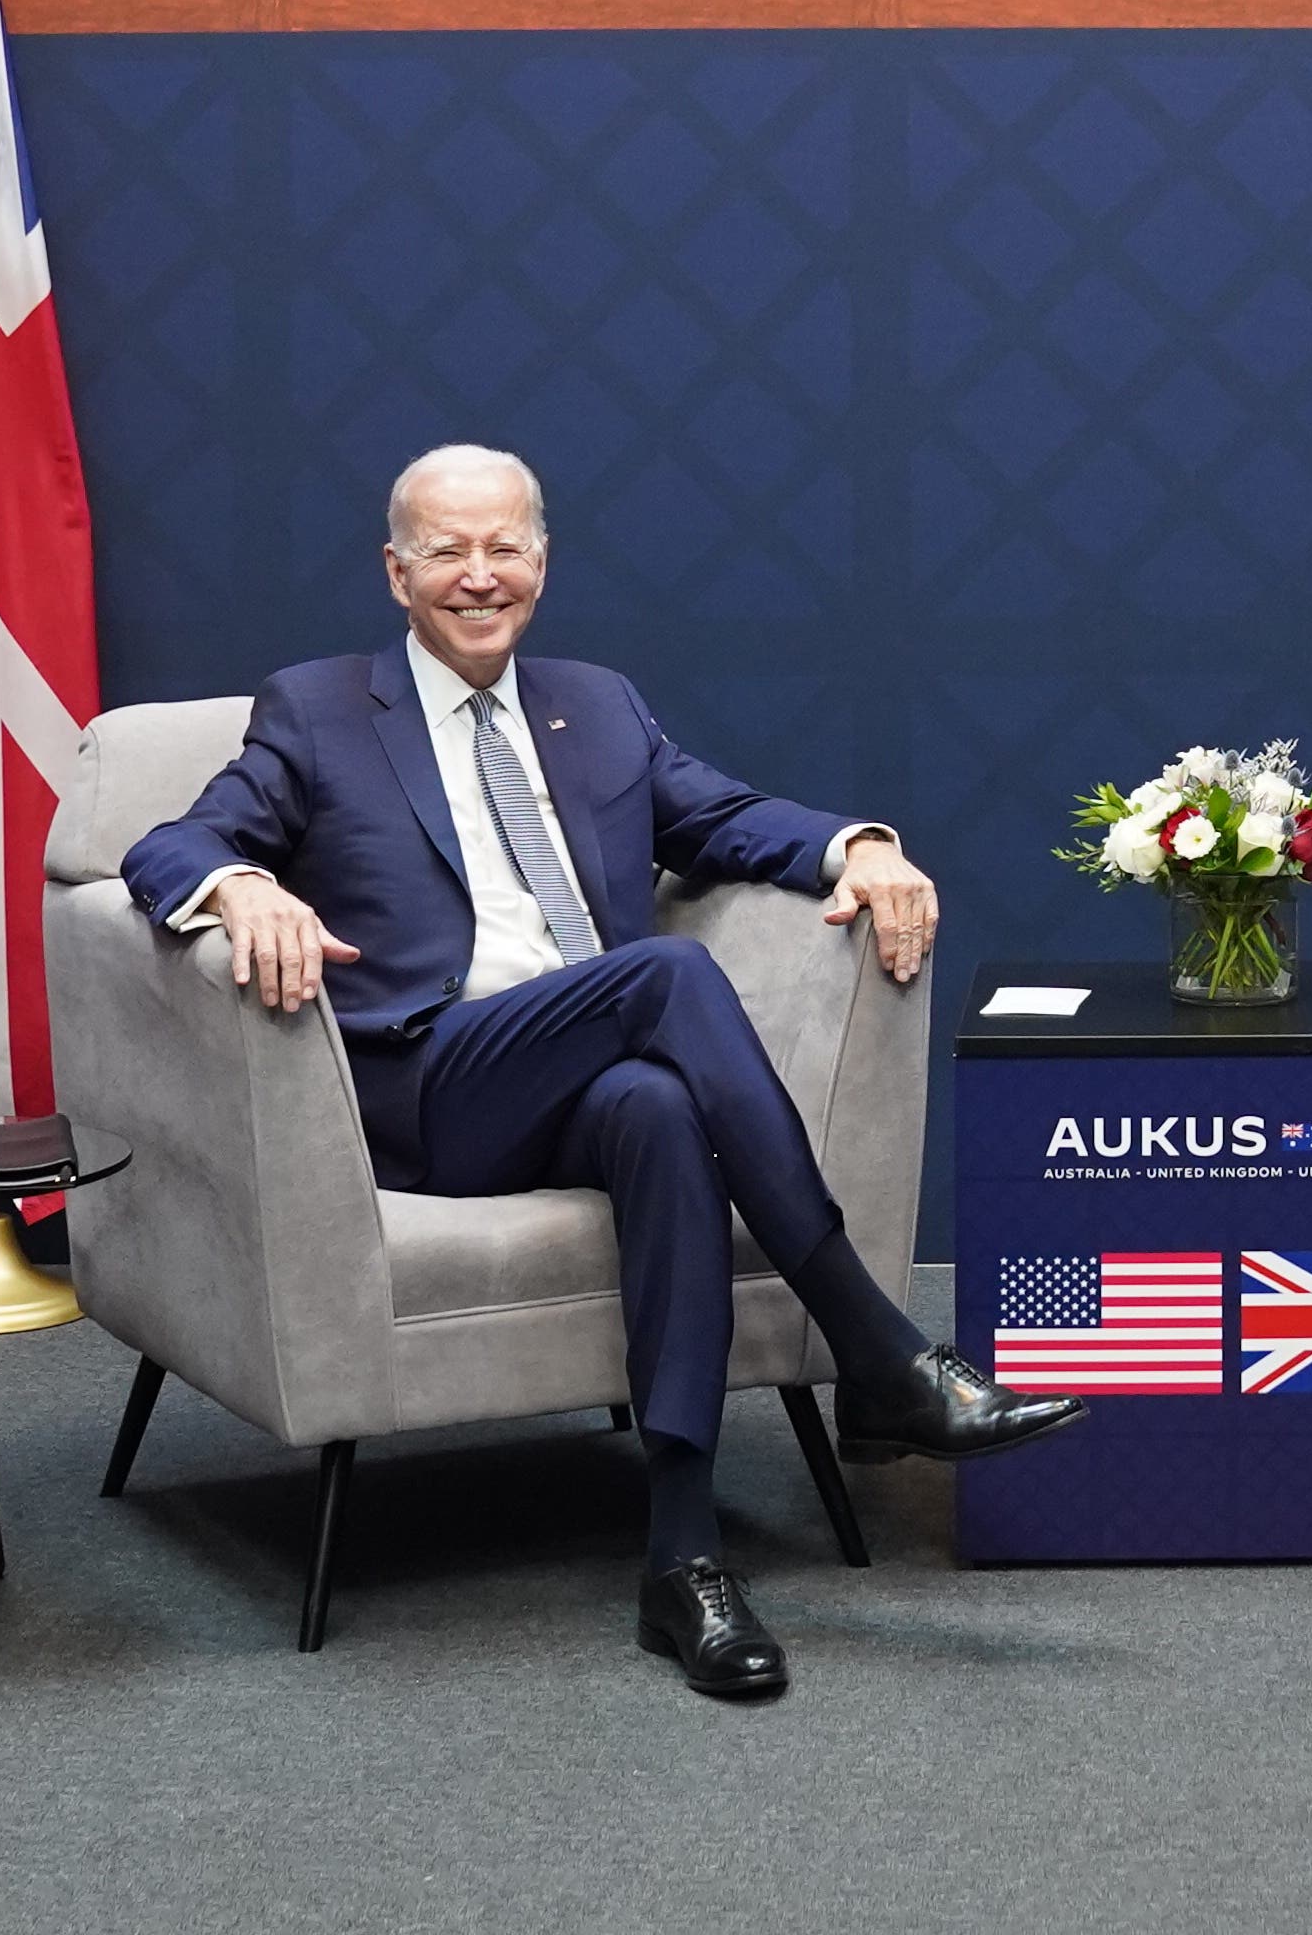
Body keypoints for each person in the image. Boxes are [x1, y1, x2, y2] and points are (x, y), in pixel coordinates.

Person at [118, 443, 1082, 1701]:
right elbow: (168, 841)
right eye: (448, 551)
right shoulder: (316, 709)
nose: (479, 575)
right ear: (396, 570)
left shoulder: (598, 704)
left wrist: (862, 843)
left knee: (660, 1109)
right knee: (667, 978)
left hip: (574, 1080)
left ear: (542, 559)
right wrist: (240, 881)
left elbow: (724, 817)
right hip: (426, 1086)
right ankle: (875, 1343)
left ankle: (684, 1560)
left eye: (504, 545)